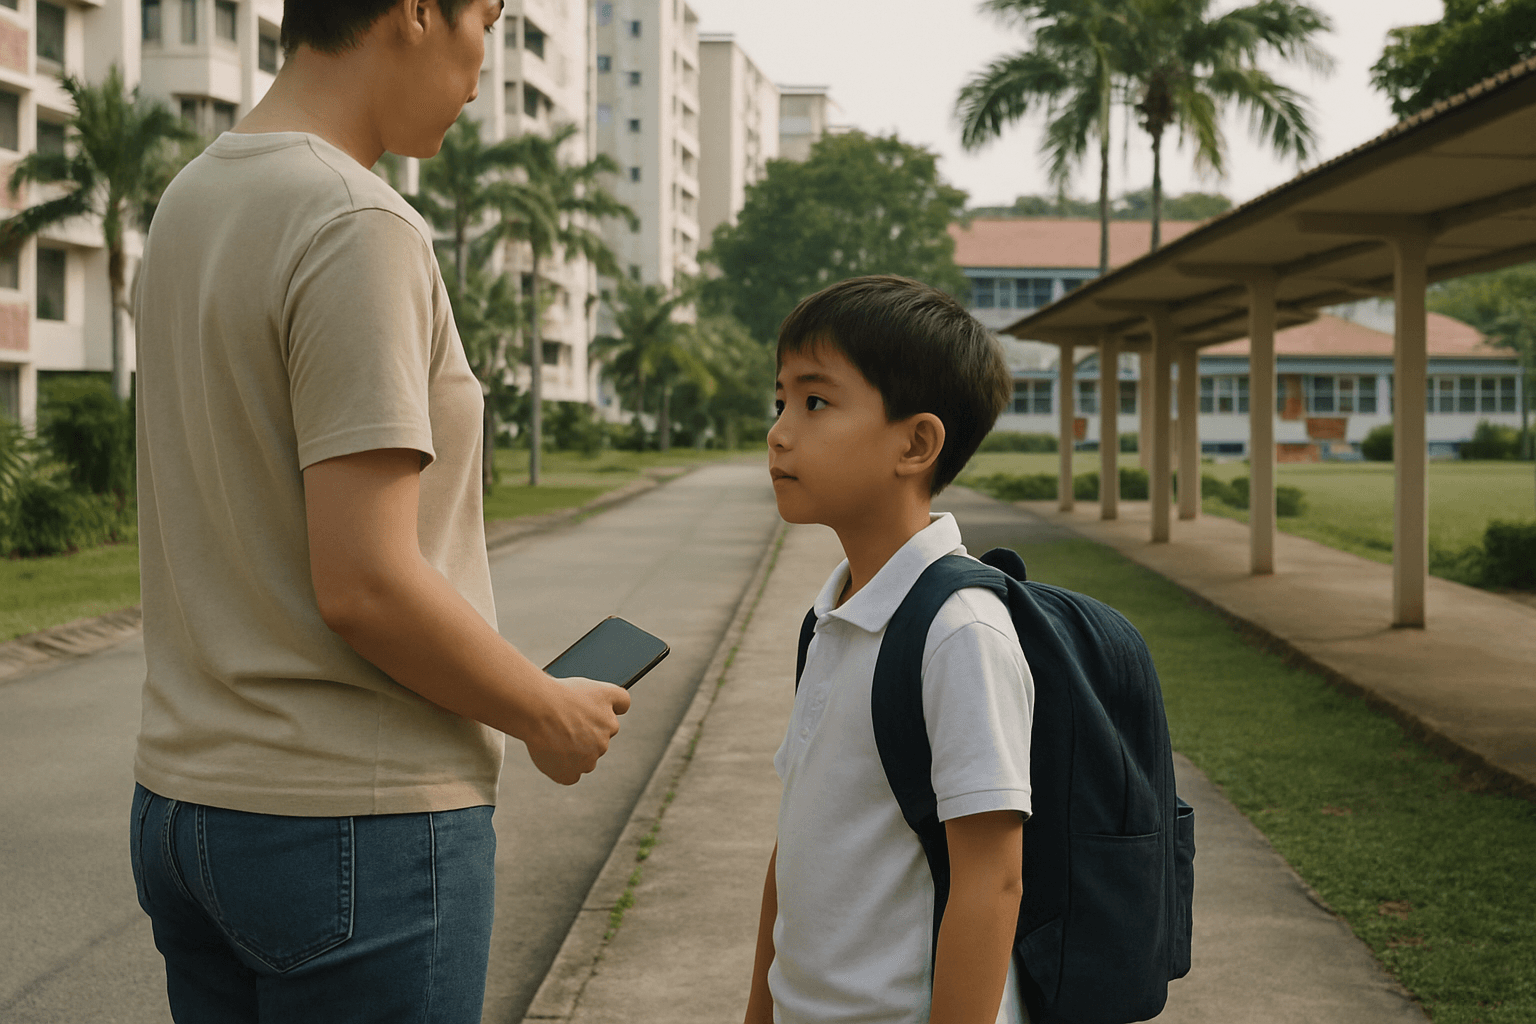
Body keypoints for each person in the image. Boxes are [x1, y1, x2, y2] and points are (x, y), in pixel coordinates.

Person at [128, 2, 631, 1019]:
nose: (485, 66)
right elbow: (365, 580)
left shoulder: (190, 198)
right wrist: (547, 710)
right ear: (413, 11)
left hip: (186, 803)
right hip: (352, 822)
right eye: (485, 20)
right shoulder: (357, 220)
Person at [745, 275, 1033, 1024]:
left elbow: (992, 882)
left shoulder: (958, 630)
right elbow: (798, 839)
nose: (779, 431)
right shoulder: (833, 614)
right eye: (781, 401)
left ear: (916, 442)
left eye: (815, 402)